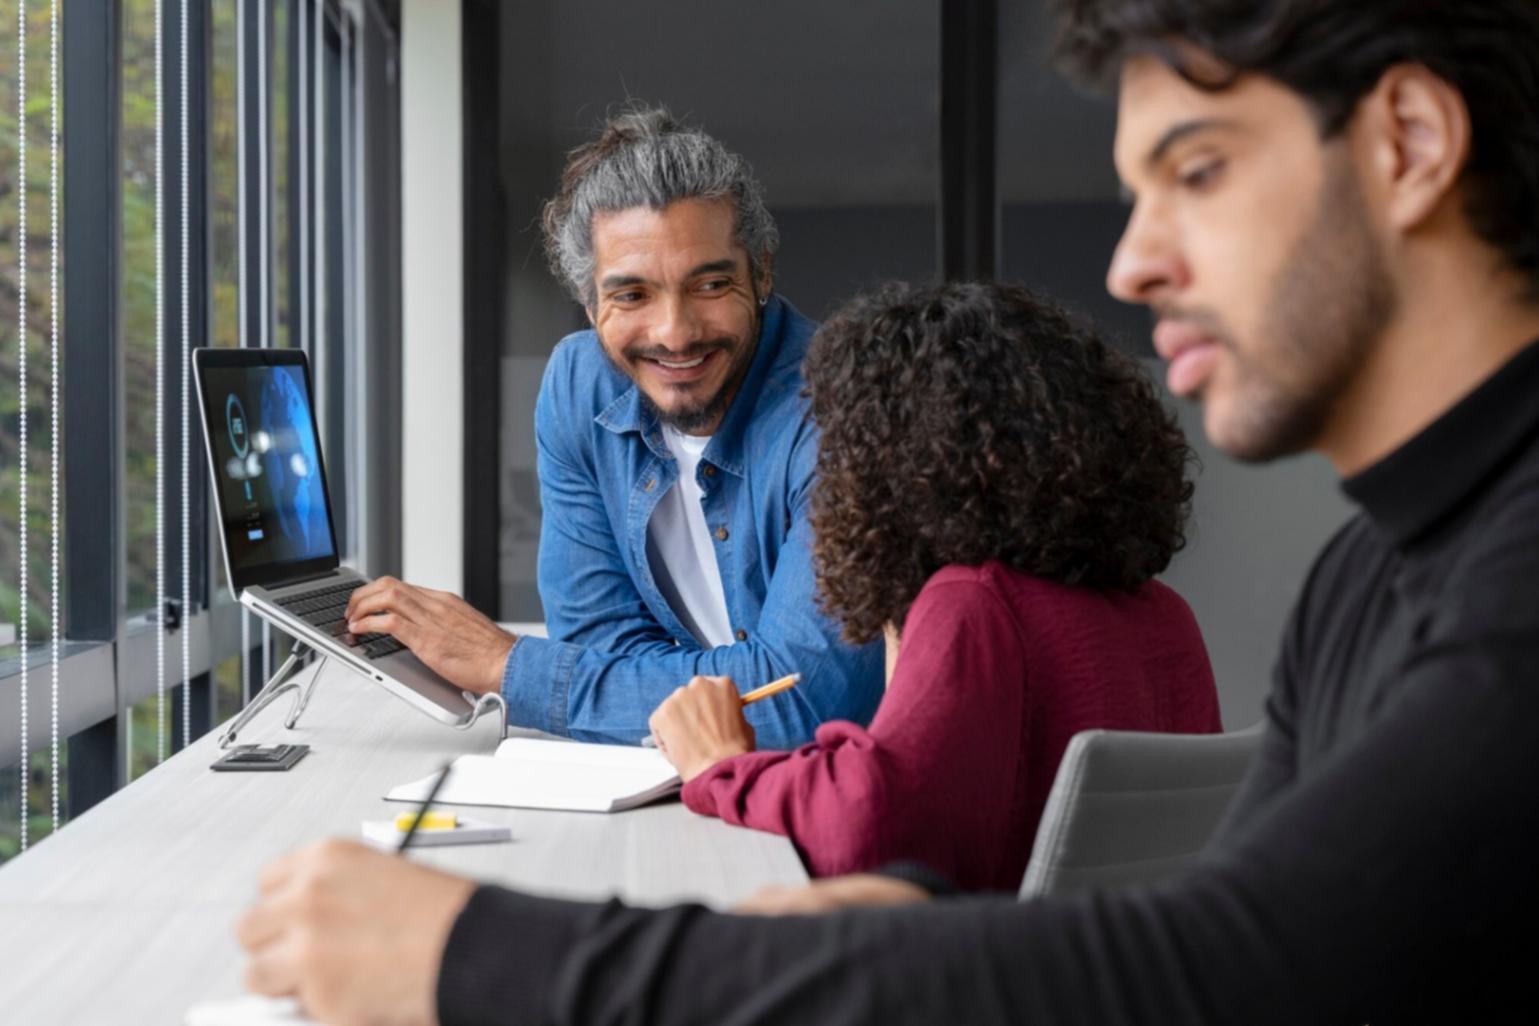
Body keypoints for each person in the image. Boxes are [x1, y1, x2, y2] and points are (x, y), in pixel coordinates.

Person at [237, 1, 1539, 1022]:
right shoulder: (1369, 573)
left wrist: (477, 955)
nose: (1132, 263)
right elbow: (1222, 934)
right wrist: (902, 912)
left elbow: (1214, 968)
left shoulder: (1507, 591)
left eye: (1194, 170)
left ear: (1407, 143)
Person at [644, 281, 1220, 892]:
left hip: (996, 950)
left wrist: (721, 766)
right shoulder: (1168, 618)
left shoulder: (975, 603)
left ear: (895, 464)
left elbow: (868, 822)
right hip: (1125, 951)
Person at [341, 107, 883, 747]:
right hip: (700, 774)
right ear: (589, 300)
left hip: (855, 790)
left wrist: (508, 668)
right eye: (632, 296)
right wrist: (676, 695)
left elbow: (799, 702)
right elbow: (598, 642)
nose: (675, 333)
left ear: (761, 271)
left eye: (711, 284)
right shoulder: (580, 387)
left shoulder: (846, 411)